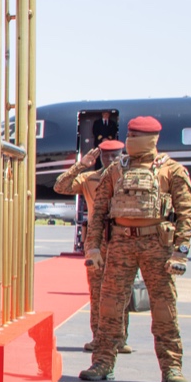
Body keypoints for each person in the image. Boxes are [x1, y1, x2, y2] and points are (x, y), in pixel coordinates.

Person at [79, 116, 191, 382]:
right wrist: (93, 247)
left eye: (136, 135)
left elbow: (186, 214)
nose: (130, 140)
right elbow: (99, 214)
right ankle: (102, 362)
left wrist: (181, 252)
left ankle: (171, 367)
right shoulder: (116, 170)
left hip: (158, 245)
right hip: (120, 245)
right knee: (109, 306)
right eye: (129, 135)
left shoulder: (172, 171)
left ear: (152, 139)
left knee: (164, 308)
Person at [55, 139, 130, 353]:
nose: (111, 160)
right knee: (97, 291)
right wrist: (82, 164)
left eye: (115, 156)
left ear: (122, 155)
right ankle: (99, 338)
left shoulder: (129, 178)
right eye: (106, 156)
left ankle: (120, 339)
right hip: (96, 241)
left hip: (121, 240)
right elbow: (60, 186)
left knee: (121, 291)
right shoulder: (90, 178)